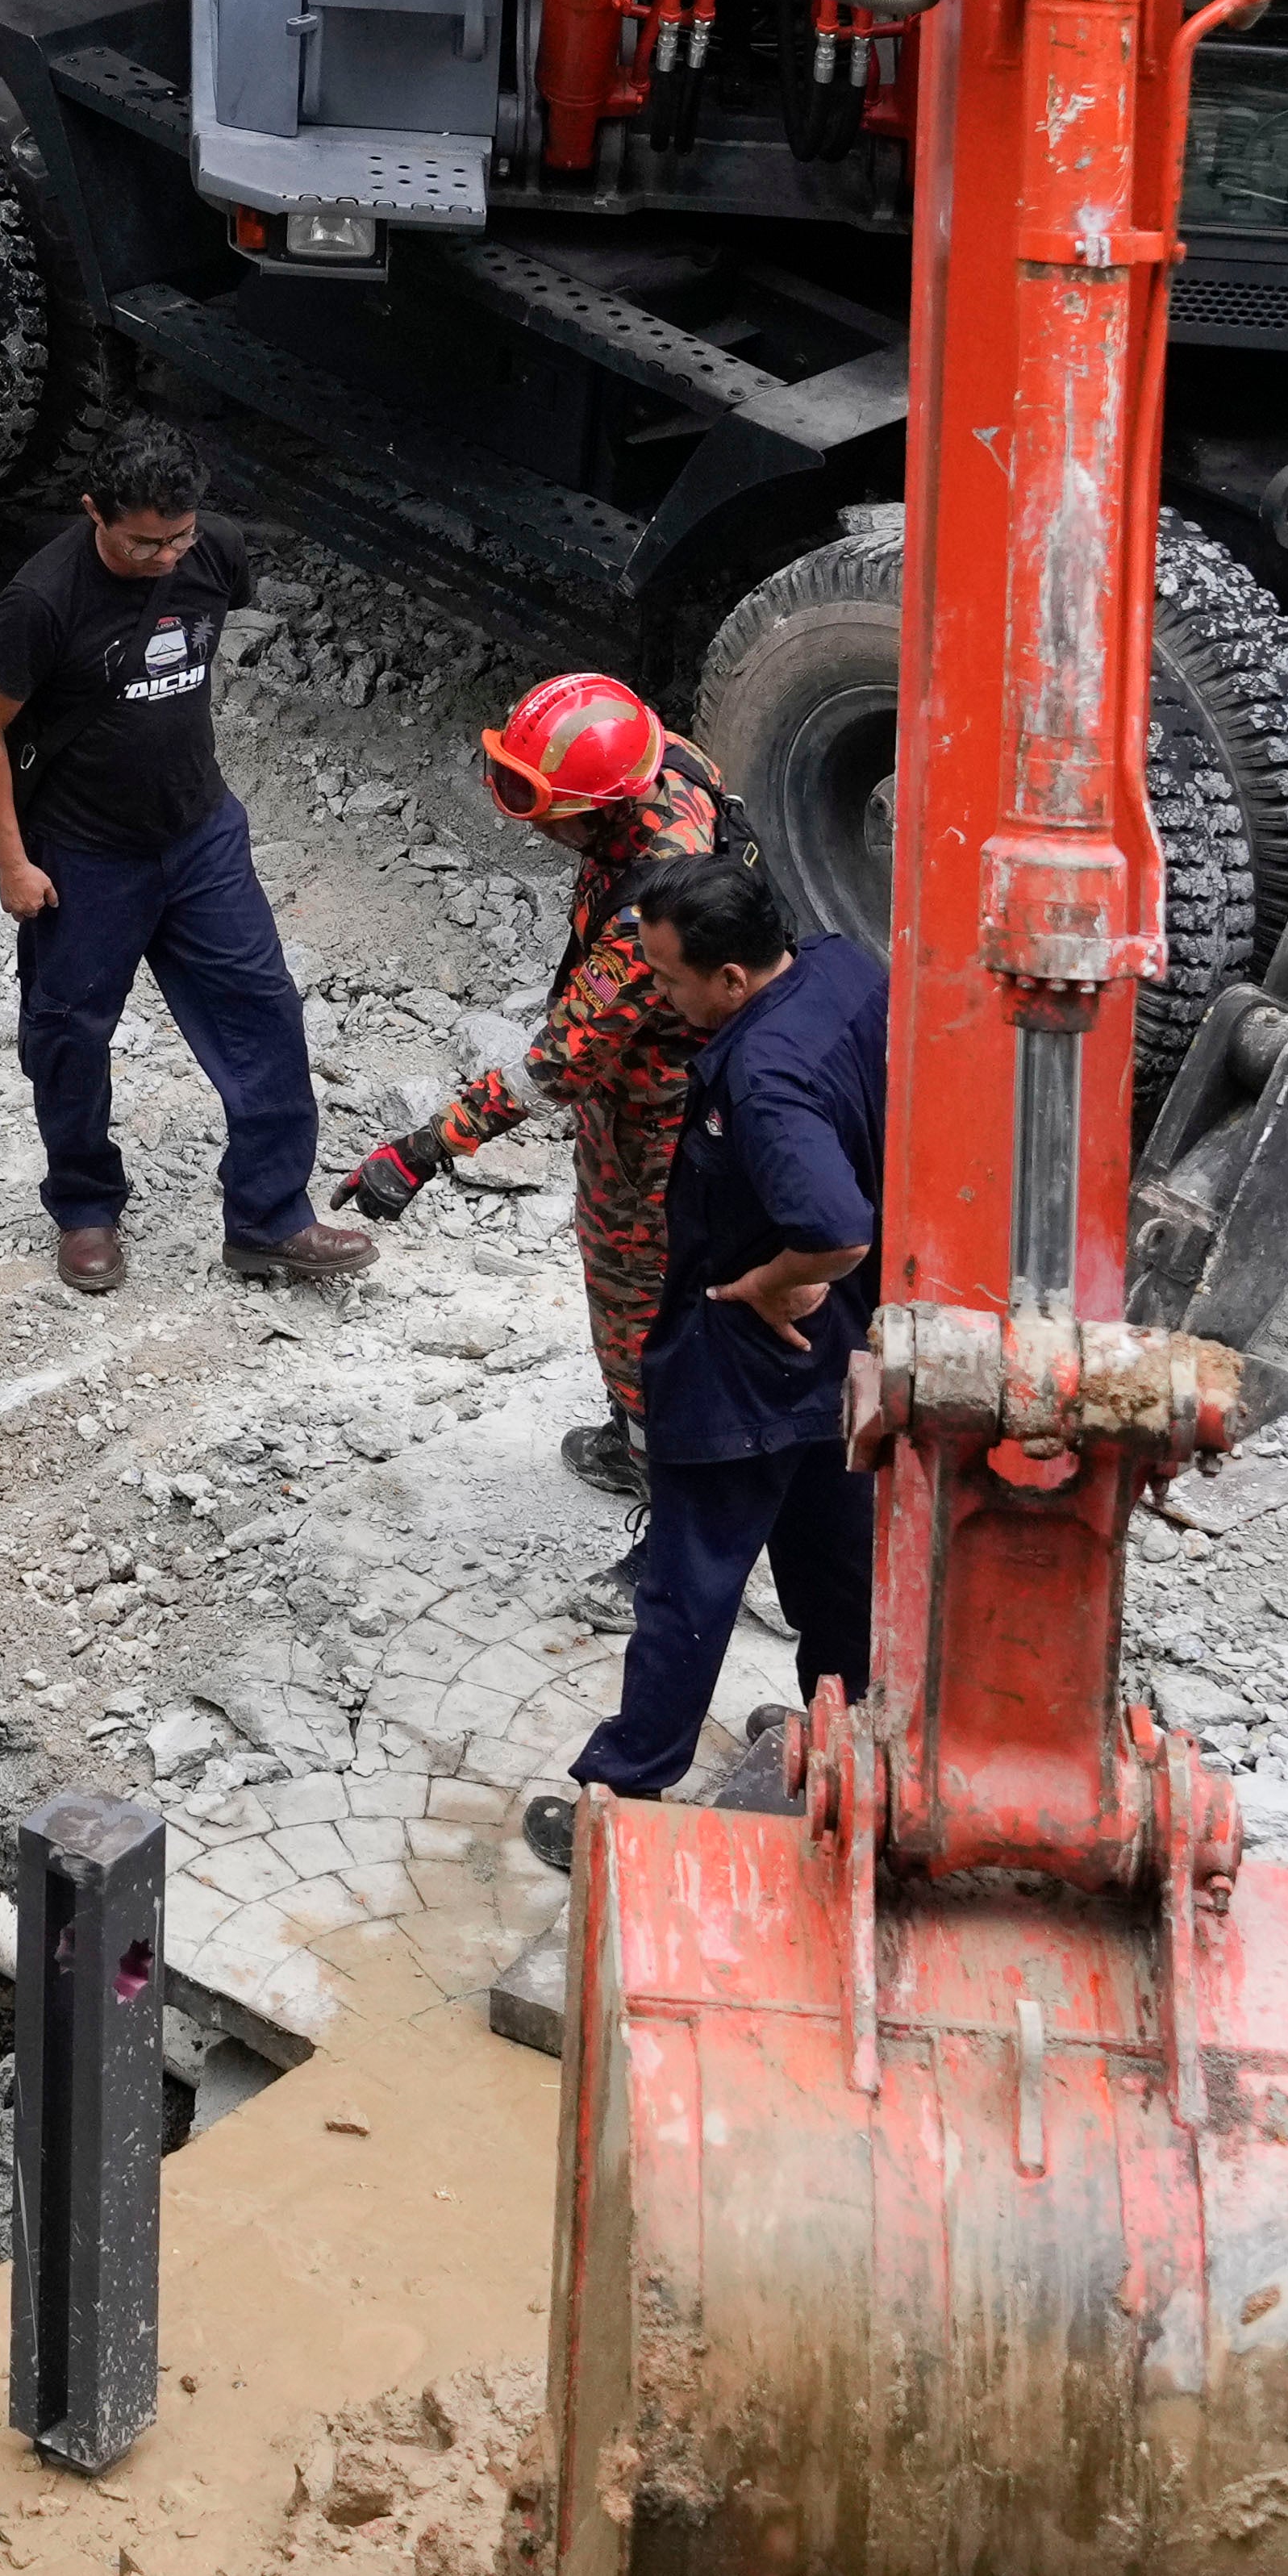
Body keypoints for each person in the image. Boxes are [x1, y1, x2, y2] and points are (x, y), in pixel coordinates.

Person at [0, 417, 371, 1294]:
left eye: (177, 538)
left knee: (263, 1012)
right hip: (83, 856)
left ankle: (270, 1217)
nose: (164, 557)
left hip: (198, 835)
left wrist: (186, 551)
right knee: (68, 1036)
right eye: (143, 542)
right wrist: (11, 862)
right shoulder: (42, 602)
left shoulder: (211, 550)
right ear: (92, 514)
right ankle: (82, 1209)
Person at [527, 855, 884, 1861]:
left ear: (730, 979)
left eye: (671, 979)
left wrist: (773, 1281)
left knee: (688, 1580)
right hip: (844, 1343)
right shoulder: (843, 970)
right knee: (835, 1554)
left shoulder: (761, 1074)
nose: (659, 994)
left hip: (747, 1351)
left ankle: (622, 1787)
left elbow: (833, 1222)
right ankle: (847, 1732)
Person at [337, 673, 744, 1498]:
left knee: (632, 1286)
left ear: (598, 807)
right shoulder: (668, 765)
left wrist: (419, 1153)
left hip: (653, 1109)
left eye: (536, 799)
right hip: (686, 1075)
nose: (525, 813)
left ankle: (653, 1467)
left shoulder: (648, 918)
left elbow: (554, 1066)